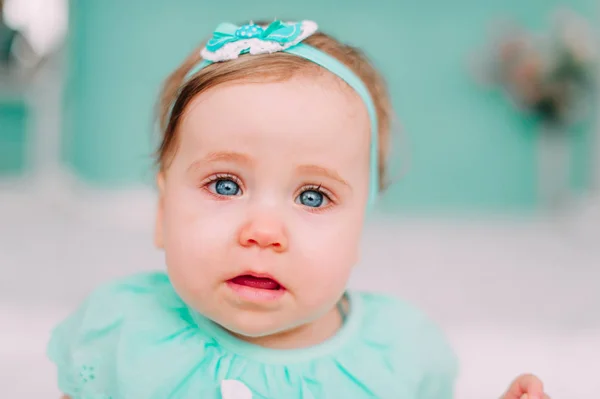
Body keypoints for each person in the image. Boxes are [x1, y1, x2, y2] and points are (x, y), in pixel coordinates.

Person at [49, 19, 550, 399]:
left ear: (360, 231)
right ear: (162, 211)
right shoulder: (123, 333)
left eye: (313, 196)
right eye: (225, 185)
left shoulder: (396, 359)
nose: (263, 231)